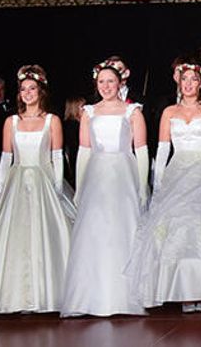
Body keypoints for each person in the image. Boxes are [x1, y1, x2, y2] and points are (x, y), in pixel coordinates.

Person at [125, 59, 201, 313]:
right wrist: (158, 185)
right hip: (177, 169)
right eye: (184, 79)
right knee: (176, 225)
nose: (188, 84)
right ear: (178, 82)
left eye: (193, 79)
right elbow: (163, 150)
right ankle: (183, 289)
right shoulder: (169, 112)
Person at [0, 66, 74, 314]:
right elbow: (5, 158)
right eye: (23, 90)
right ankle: (17, 296)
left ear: (41, 91)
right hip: (17, 180)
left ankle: (48, 293)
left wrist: (56, 187)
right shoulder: (11, 121)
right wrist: (2, 190)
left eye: (32, 89)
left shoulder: (51, 120)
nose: (27, 93)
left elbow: (56, 156)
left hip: (43, 180)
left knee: (46, 234)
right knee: (16, 235)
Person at [60, 64, 149, 317]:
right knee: (95, 229)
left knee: (123, 227)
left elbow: (141, 150)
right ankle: (92, 296)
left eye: (110, 81)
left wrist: (142, 186)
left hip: (123, 173)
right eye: (101, 82)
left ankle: (125, 295)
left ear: (119, 83)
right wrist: (79, 187)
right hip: (97, 176)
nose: (106, 86)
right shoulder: (89, 112)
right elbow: (84, 151)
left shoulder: (132, 111)